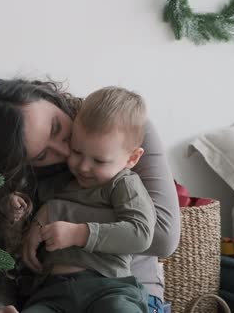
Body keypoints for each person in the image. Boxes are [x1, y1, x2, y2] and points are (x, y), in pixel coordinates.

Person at [0, 79, 180, 313]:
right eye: (42, 155)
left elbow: (162, 236)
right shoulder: (16, 186)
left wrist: (54, 212)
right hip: (51, 296)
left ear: (50, 97)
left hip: (122, 293)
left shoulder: (122, 125)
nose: (67, 152)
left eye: (56, 128)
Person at [15, 86, 155, 312]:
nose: (83, 167)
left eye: (99, 161)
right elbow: (24, 210)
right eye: (77, 151)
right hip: (52, 293)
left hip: (109, 287)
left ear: (132, 158)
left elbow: (141, 234)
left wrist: (78, 233)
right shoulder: (57, 181)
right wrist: (23, 214)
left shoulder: (122, 184)